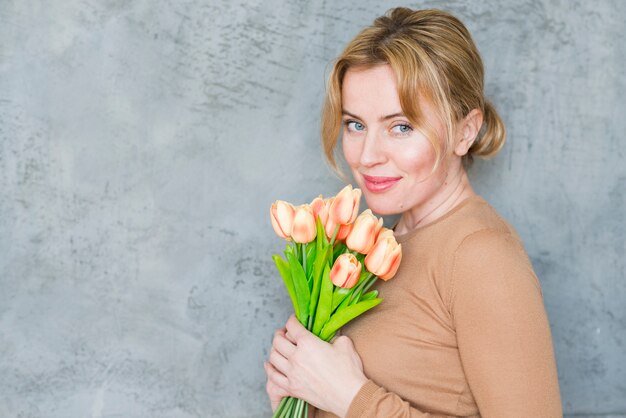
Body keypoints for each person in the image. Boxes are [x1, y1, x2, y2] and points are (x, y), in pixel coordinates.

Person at [264, 7, 562, 418]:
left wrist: (351, 397)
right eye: (355, 124)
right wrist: (299, 401)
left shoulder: (480, 257)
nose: (367, 156)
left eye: (401, 126)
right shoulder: (372, 248)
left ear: (465, 131)